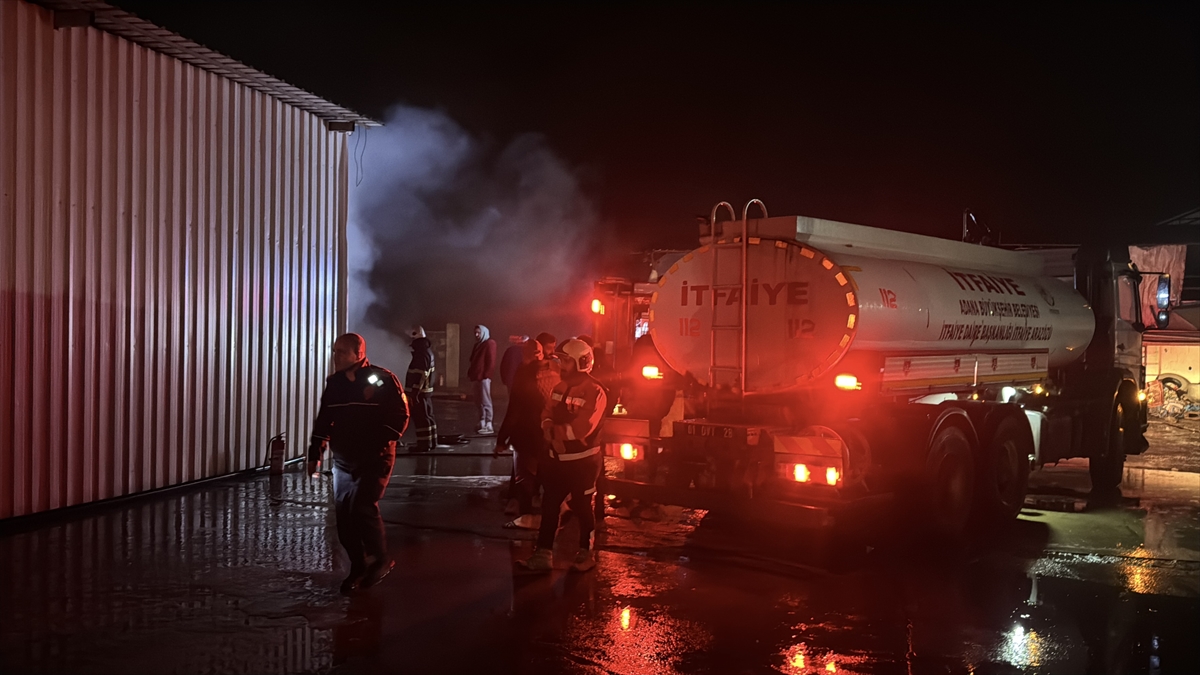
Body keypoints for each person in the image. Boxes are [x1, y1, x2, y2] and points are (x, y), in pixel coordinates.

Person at [307, 333, 409, 594]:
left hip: (375, 457)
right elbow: (324, 419)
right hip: (344, 461)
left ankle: (381, 559)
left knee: (363, 505)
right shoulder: (335, 384)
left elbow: (400, 416)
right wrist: (315, 453)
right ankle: (358, 566)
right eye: (334, 351)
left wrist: (378, 443)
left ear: (358, 354)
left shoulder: (382, 379)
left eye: (341, 352)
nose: (336, 357)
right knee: (344, 516)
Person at [519, 339, 607, 573]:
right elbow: (547, 412)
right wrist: (548, 428)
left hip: (583, 464)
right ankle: (543, 554)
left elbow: (582, 428)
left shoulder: (595, 391)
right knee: (549, 505)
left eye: (566, 360)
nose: (560, 364)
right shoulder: (560, 387)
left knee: (582, 506)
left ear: (582, 362)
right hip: (557, 461)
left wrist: (553, 433)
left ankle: (586, 553)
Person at [495, 338, 546, 528]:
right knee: (546, 477)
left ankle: (526, 519)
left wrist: (502, 439)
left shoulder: (523, 374)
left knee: (525, 480)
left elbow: (514, 410)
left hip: (525, 436)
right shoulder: (553, 373)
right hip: (547, 435)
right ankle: (548, 522)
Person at [405, 326, 437, 452]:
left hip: (420, 393)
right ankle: (432, 442)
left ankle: (423, 445)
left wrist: (414, 393)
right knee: (428, 417)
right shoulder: (427, 351)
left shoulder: (421, 354)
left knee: (421, 419)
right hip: (425, 392)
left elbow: (419, 375)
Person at [468, 324, 497, 435]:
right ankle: (482, 421)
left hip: (483, 377)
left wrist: (486, 375)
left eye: (478, 332)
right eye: (475, 332)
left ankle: (488, 423)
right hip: (476, 376)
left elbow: (491, 361)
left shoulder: (490, 343)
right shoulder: (478, 345)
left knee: (485, 400)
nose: (476, 335)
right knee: (478, 401)